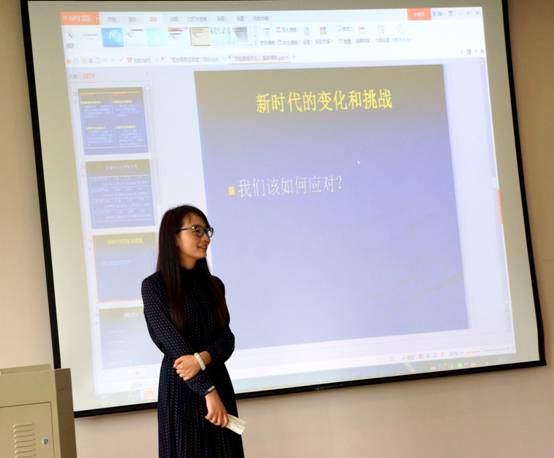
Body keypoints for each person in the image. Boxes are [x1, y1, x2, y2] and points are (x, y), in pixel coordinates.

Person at [142, 205, 244, 458]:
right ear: (174, 237)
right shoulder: (154, 287)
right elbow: (174, 346)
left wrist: (200, 360)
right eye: (196, 230)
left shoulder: (215, 285)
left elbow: (226, 339)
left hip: (217, 379)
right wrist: (208, 390)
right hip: (181, 389)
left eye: (207, 231)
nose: (205, 237)